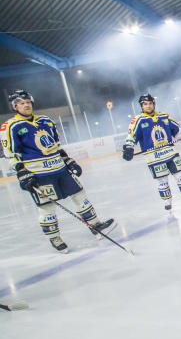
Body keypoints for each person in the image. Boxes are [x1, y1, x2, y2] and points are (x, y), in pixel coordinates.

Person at [1, 90, 115, 253]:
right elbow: (11, 153)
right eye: (21, 103)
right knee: (47, 207)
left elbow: (56, 145)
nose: (26, 105)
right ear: (14, 106)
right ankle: (54, 238)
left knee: (79, 195)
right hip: (39, 175)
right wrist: (21, 172)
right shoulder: (11, 126)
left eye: (27, 102)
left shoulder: (45, 121)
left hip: (60, 169)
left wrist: (68, 160)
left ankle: (96, 226)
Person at [122, 93, 181, 211]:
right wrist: (128, 147)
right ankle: (168, 201)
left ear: (153, 104)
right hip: (154, 158)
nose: (148, 106)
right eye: (145, 104)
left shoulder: (164, 116)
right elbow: (131, 135)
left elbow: (178, 131)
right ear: (141, 106)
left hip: (171, 152)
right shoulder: (138, 120)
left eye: (150, 103)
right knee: (162, 182)